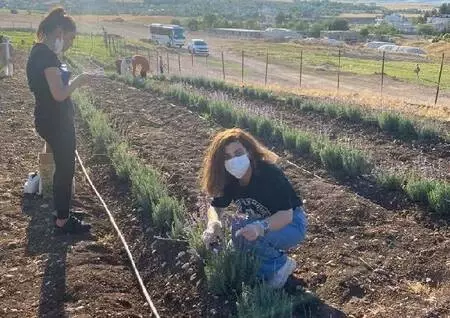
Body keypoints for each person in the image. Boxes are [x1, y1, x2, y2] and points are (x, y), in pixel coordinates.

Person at [201, 128, 308, 289]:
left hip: (292, 225)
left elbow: (286, 215)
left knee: (247, 236)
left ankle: (281, 266)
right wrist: (213, 223)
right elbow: (215, 207)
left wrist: (260, 227)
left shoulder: (268, 174)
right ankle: (261, 267)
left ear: (249, 152)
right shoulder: (230, 180)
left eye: (238, 153)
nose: (234, 160)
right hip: (262, 221)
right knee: (237, 235)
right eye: (227, 157)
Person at [26, 7, 91, 234]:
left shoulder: (39, 52)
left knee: (61, 167)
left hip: (47, 118)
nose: (71, 44)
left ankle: (60, 209)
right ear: (59, 32)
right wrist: (79, 81)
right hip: (56, 122)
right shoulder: (46, 57)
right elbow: (59, 94)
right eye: (70, 38)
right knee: (65, 169)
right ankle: (62, 220)